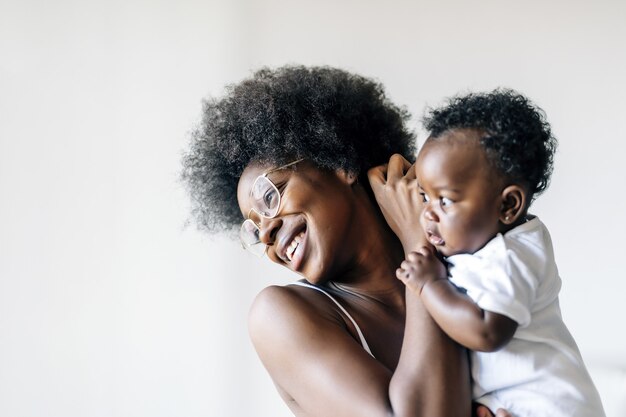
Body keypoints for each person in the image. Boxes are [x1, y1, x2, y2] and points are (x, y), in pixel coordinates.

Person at [182, 65, 511, 416]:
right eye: (253, 231)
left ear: (339, 162)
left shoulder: (471, 259)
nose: (265, 234)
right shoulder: (279, 316)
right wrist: (417, 241)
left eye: (270, 196)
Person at [371, 90, 605, 416]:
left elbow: (486, 332)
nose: (428, 214)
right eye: (425, 196)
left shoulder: (510, 256)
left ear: (508, 205)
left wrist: (430, 286)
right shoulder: (486, 245)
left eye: (446, 201)